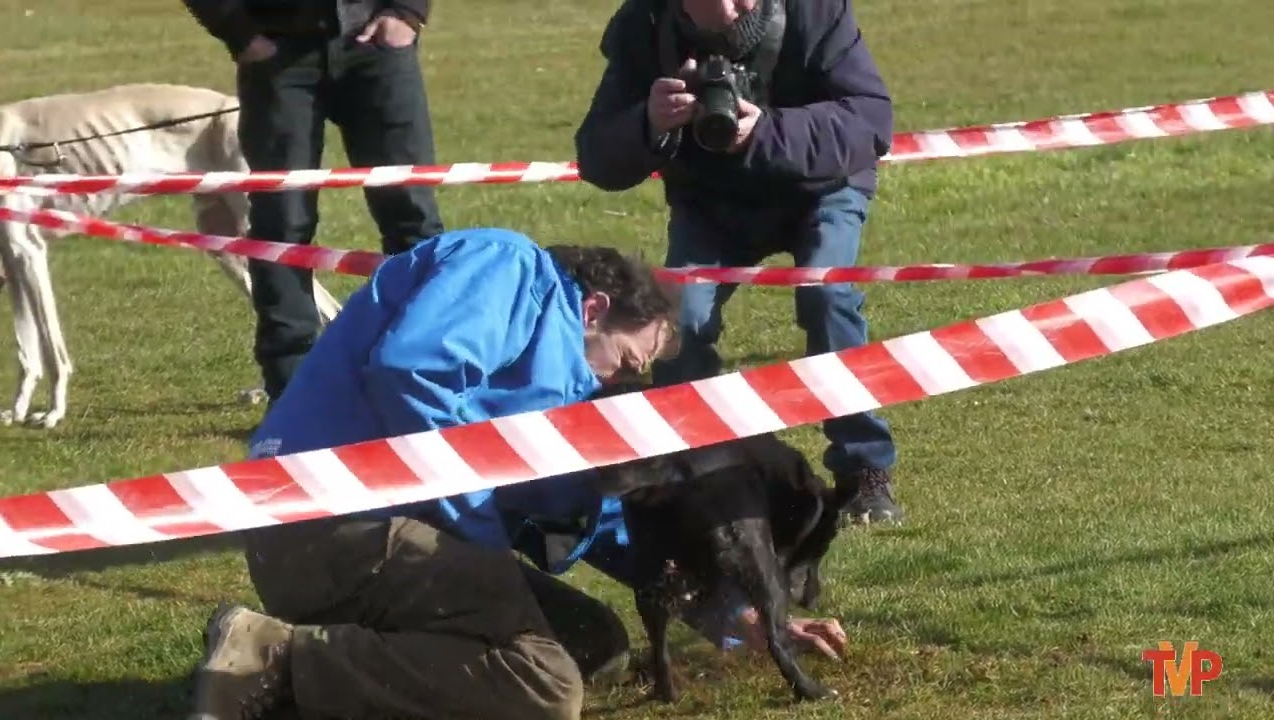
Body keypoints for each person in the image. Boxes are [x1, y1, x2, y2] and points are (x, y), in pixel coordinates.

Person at [186, 228, 847, 720]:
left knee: (597, 645)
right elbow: (410, 373)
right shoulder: (508, 265)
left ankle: (343, 654)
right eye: (622, 362)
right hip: (331, 523)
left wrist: (738, 615)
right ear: (592, 309)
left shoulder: (554, 390)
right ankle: (274, 656)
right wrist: (482, 529)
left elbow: (600, 517)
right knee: (548, 687)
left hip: (381, 530)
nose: (615, 383)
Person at [573, 0, 904, 525]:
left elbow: (871, 119)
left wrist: (765, 131)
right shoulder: (645, 23)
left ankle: (865, 471)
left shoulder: (815, 11)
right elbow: (595, 155)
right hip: (712, 204)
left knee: (827, 296)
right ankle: (696, 468)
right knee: (679, 323)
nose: (728, 10)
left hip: (821, 190)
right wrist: (649, 122)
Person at [180, 0, 446, 407]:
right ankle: (292, 394)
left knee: (411, 214)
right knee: (281, 225)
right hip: (277, 53)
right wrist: (239, 31)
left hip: (378, 46)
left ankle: (425, 375)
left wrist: (408, 13)